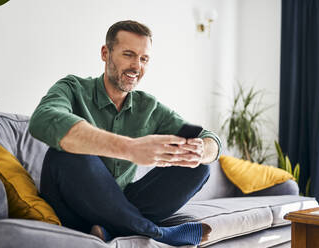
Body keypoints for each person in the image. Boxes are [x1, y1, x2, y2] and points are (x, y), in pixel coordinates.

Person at [29, 20, 221, 246]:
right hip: (71, 205)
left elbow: (211, 139)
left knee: (197, 168)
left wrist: (201, 150)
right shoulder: (72, 88)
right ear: (105, 53)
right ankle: (157, 233)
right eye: (128, 54)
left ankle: (113, 230)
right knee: (66, 154)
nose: (136, 66)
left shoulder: (148, 106)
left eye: (144, 59)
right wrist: (130, 149)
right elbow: (42, 119)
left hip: (120, 202)